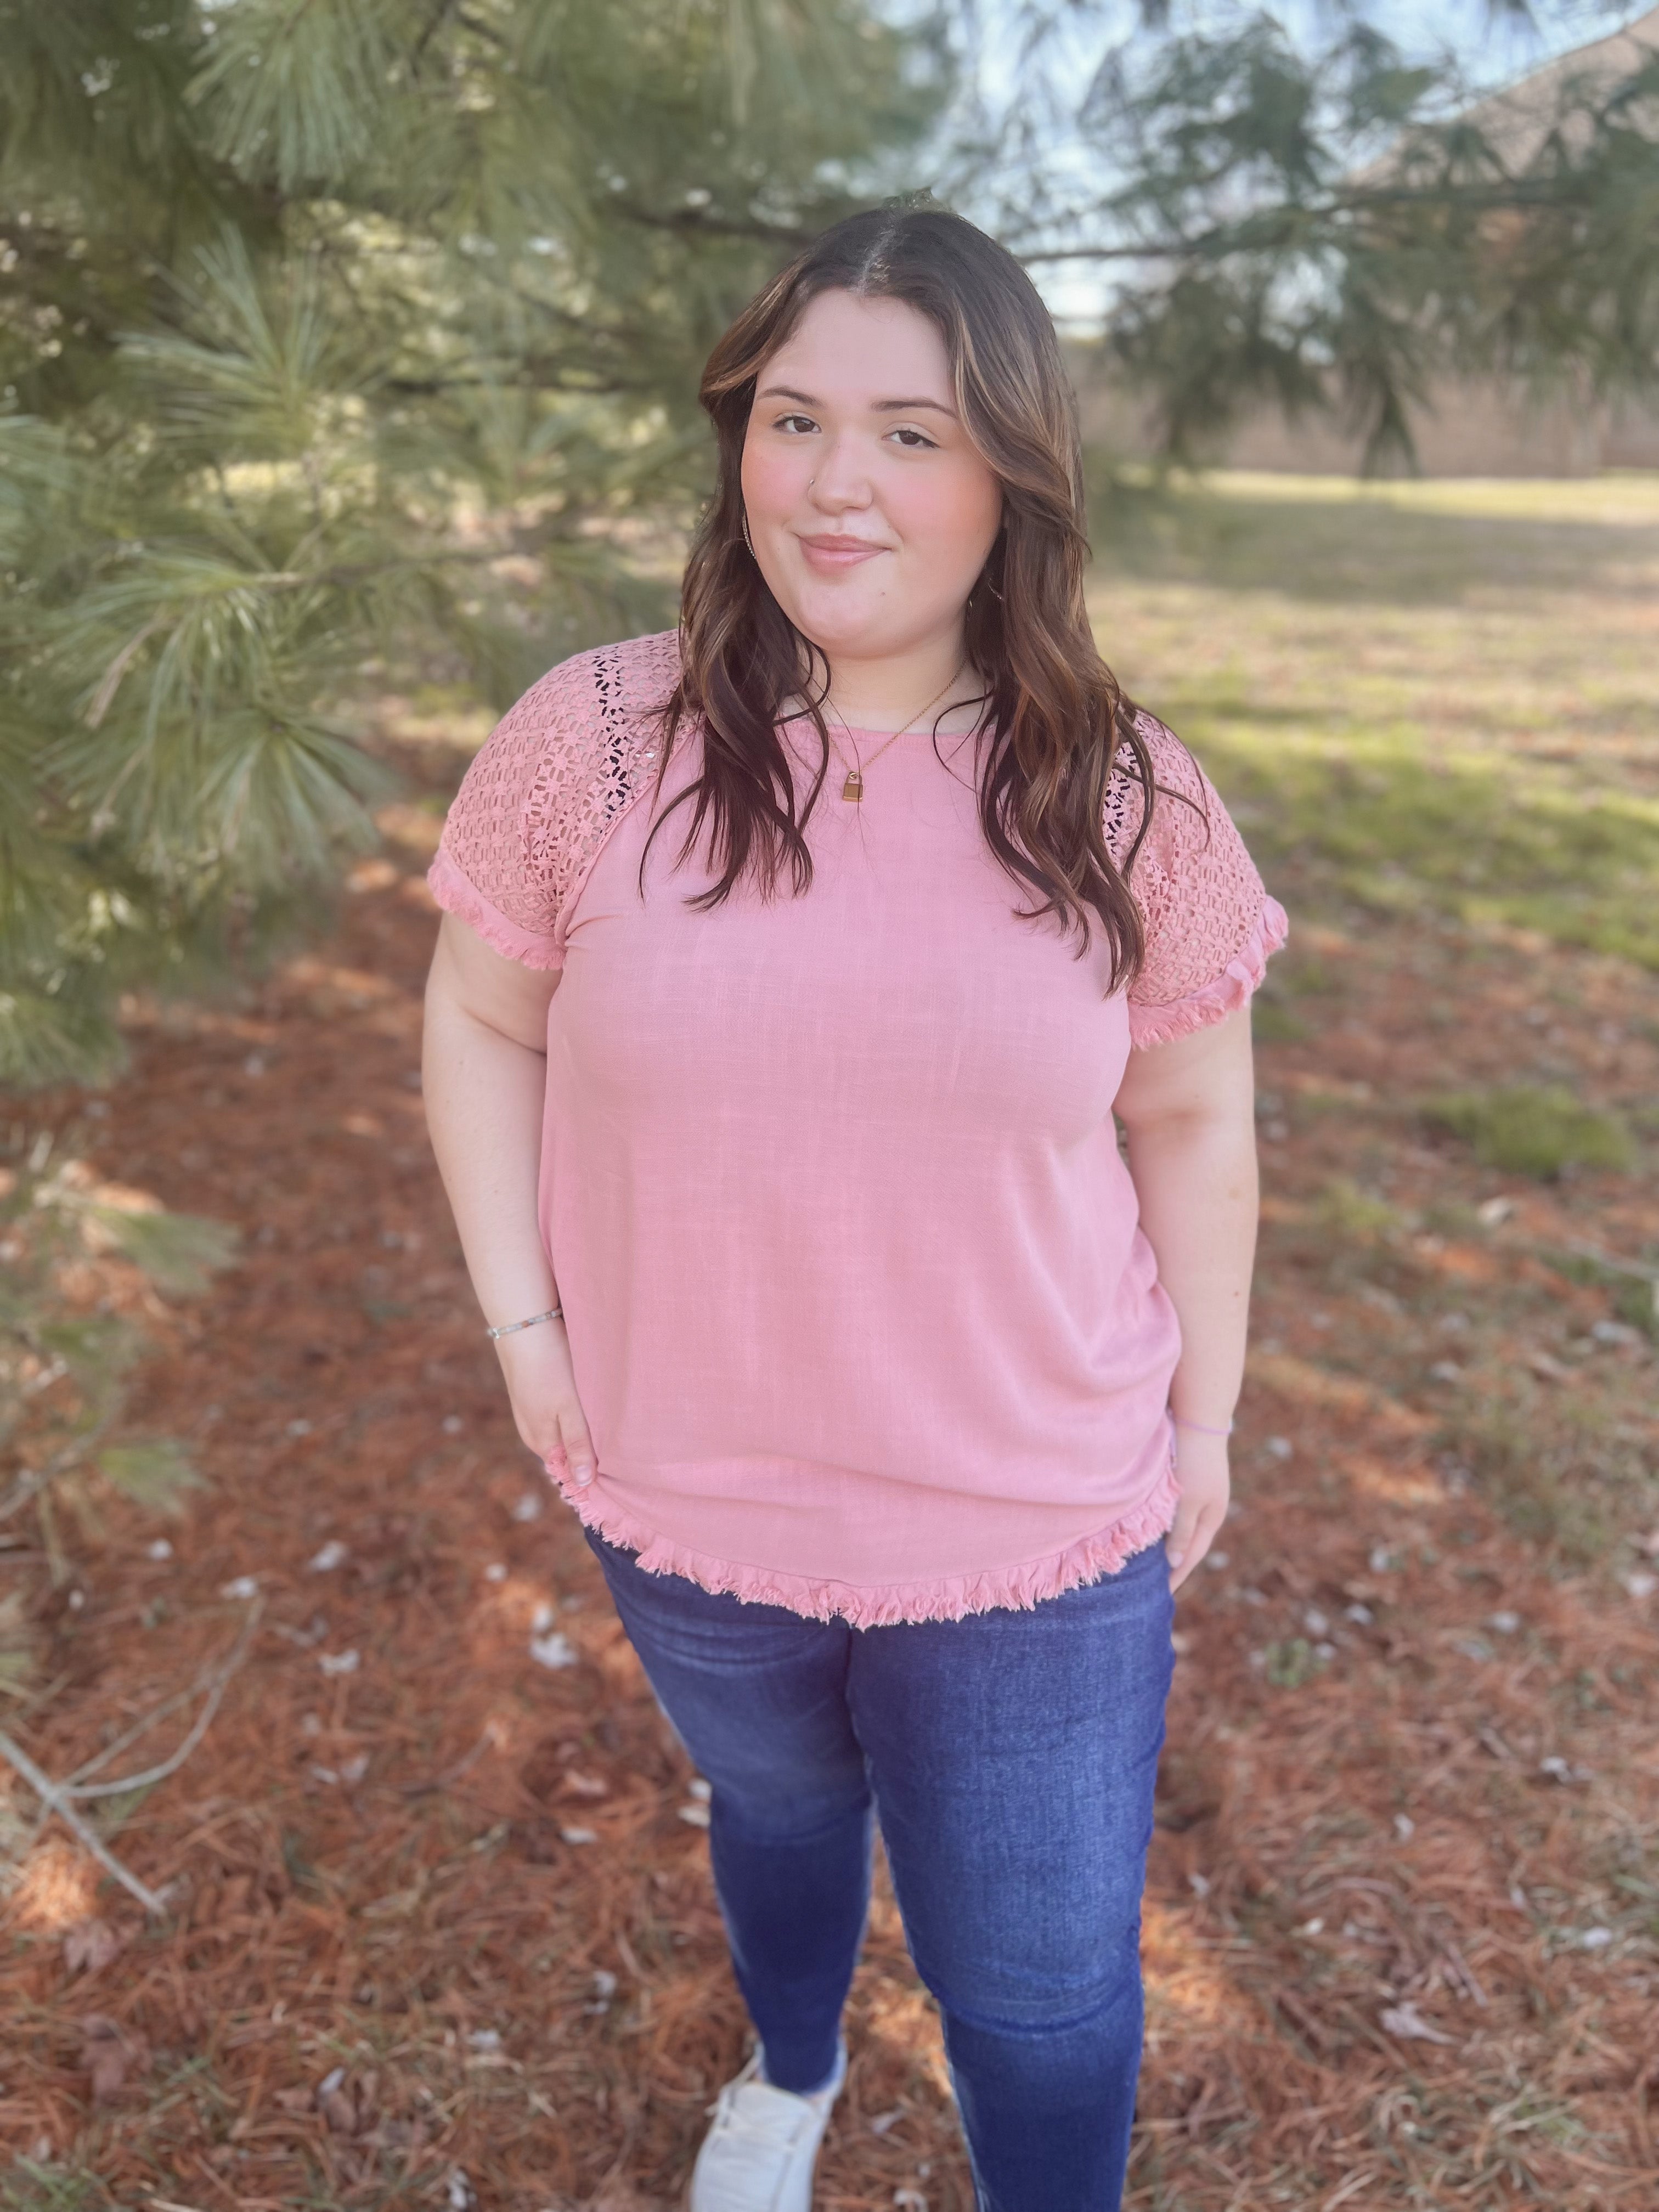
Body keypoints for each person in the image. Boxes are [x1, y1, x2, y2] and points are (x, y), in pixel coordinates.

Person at [421, 200, 1286, 2212]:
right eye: (794, 418)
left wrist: (1208, 1419)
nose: (834, 483)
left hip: (1031, 1529)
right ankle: (793, 2073)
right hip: (685, 1488)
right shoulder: (597, 739)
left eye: (911, 433)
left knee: (1041, 1999)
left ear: (1014, 472)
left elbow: (1193, 1122)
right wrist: (526, 1327)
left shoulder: (1126, 796)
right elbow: (477, 1013)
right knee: (782, 1818)